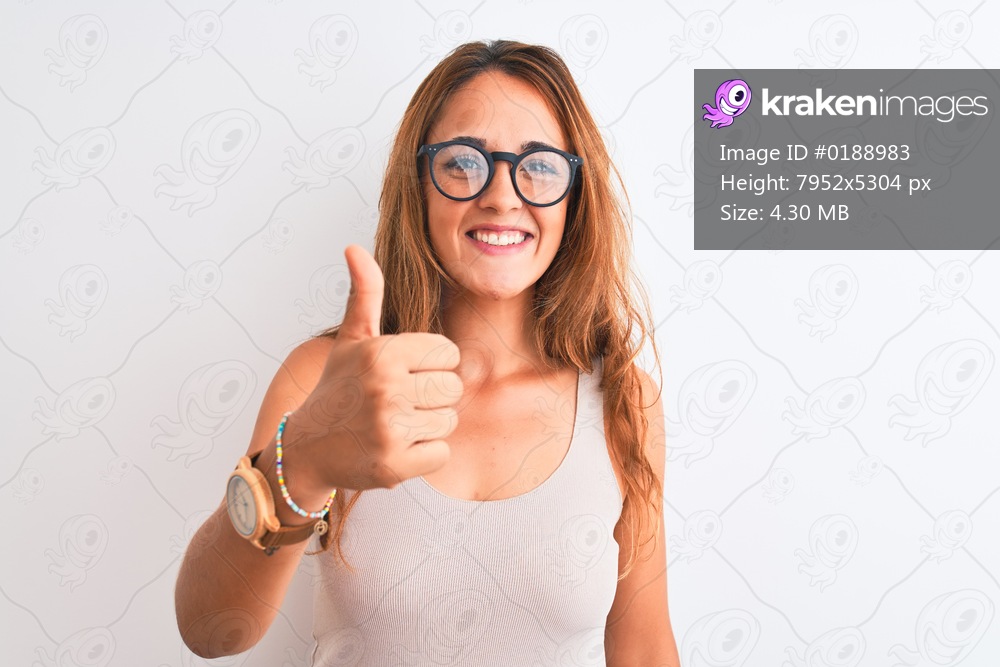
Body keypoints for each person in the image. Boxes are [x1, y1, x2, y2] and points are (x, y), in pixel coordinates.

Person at [175, 39, 679, 666]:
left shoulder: (623, 403)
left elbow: (645, 649)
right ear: (420, 184)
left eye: (540, 165)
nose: (501, 195)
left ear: (577, 195)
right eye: (464, 161)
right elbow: (211, 631)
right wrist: (299, 458)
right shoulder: (326, 381)